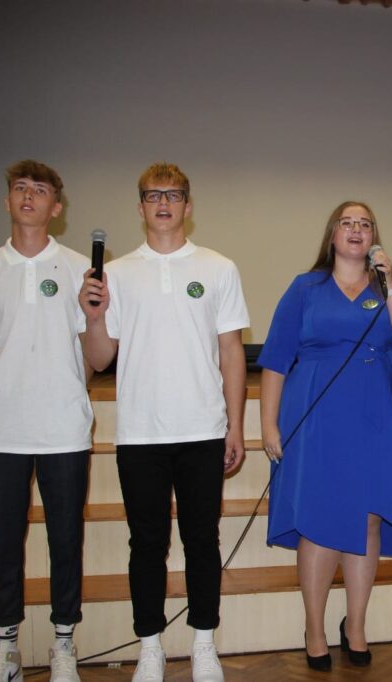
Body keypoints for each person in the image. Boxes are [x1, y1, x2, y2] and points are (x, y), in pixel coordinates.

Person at [79, 163, 249, 682]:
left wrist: (235, 426)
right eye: (153, 196)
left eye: (173, 195)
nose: (163, 204)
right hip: (141, 433)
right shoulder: (117, 274)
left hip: (203, 430)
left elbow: (231, 352)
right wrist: (93, 317)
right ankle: (149, 646)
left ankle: (204, 644)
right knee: (146, 544)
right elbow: (100, 358)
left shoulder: (219, 267)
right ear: (140, 207)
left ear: (188, 206)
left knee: (203, 541)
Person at [258, 201, 392, 672]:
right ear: (332, 235)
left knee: (370, 517)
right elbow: (275, 359)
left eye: (365, 224)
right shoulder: (305, 288)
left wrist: (391, 284)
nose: (356, 230)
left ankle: (355, 624)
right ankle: (314, 628)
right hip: (315, 414)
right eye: (347, 223)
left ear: (374, 236)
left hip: (379, 414)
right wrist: (269, 424)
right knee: (318, 519)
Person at [0, 160, 92, 682]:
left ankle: (64, 644)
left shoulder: (80, 269)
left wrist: (59, 385)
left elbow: (91, 352)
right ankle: (5, 646)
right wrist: (14, 389)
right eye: (20, 188)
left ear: (57, 207)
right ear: (8, 201)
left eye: (40, 190)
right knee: (4, 542)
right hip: (4, 430)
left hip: (64, 428)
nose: (29, 196)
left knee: (66, 540)